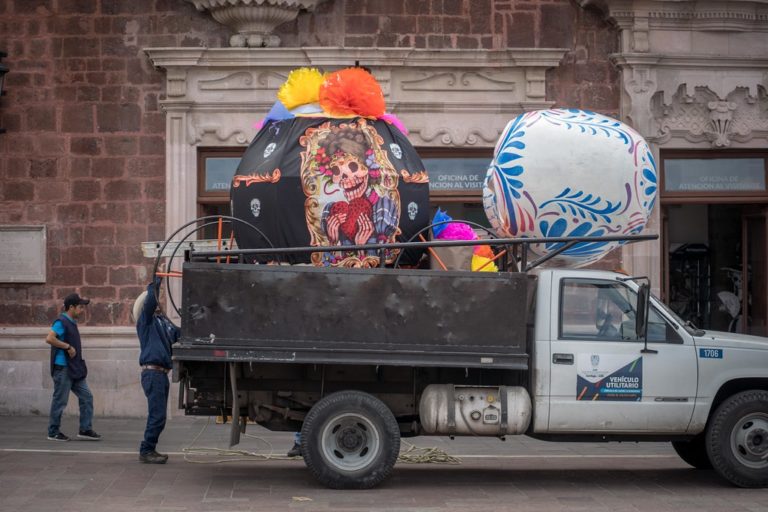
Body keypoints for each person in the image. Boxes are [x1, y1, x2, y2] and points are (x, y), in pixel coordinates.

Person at [134, 277, 180, 464]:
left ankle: (149, 448)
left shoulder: (164, 323)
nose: (158, 303)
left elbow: (181, 333)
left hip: (160, 373)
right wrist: (156, 282)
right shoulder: (146, 322)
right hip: (153, 373)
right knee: (157, 414)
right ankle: (146, 449)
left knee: (158, 415)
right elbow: (151, 301)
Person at [46, 293, 101, 442]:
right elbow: (49, 338)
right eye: (80, 307)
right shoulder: (61, 321)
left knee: (87, 397)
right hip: (63, 369)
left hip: (74, 368)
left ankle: (85, 429)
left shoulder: (71, 322)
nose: (82, 310)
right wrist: (67, 346)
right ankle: (53, 432)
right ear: (71, 307)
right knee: (60, 401)